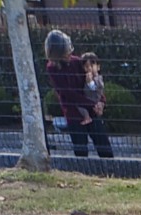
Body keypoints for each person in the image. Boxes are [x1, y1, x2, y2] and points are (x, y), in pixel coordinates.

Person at [44, 31, 113, 160]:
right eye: (65, 52)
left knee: (104, 146)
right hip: (73, 113)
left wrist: (101, 102)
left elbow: (94, 83)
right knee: (81, 150)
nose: (69, 54)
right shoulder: (52, 68)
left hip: (91, 110)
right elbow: (68, 93)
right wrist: (93, 104)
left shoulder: (77, 62)